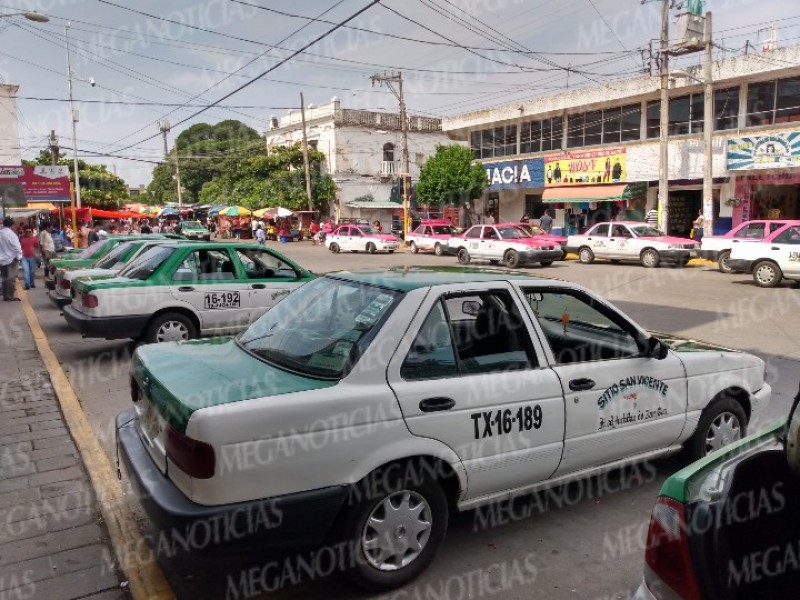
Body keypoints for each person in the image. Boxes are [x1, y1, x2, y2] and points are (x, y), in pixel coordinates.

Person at [0, 217, 22, 301]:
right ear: (12, 225)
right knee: (11, 278)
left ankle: (5, 295)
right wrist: (19, 257)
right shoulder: (11, 234)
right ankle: (10, 296)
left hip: (2, 259)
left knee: (4, 278)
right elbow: (17, 247)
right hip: (11, 259)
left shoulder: (0, 233)